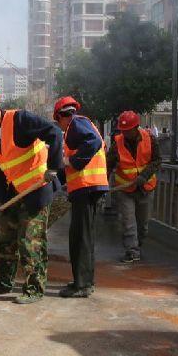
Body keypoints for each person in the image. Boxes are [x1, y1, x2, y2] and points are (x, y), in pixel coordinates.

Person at [0, 86, 63, 304]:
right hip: (14, 195)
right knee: (6, 240)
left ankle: (34, 289)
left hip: (37, 190)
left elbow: (55, 133)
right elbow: (0, 171)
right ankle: (3, 283)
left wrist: (54, 167)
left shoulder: (20, 119)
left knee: (30, 242)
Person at [52, 96, 108, 299]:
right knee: (84, 237)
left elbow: (92, 142)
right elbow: (63, 169)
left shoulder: (77, 123)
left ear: (61, 116)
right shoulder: (78, 126)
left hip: (86, 187)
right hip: (87, 188)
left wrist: (74, 161)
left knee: (80, 238)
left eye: (58, 121)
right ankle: (85, 281)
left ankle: (82, 285)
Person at [107, 110, 161, 263]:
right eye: (122, 131)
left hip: (146, 187)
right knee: (128, 222)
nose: (124, 133)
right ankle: (132, 251)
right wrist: (102, 184)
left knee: (143, 225)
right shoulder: (117, 144)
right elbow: (108, 165)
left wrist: (144, 176)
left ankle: (138, 245)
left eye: (127, 130)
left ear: (135, 128)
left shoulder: (150, 139)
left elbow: (157, 161)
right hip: (125, 189)